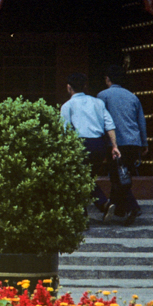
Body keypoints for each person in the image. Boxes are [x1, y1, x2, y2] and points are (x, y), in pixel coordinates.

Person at [60, 72, 121, 219]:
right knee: (86, 178)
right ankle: (101, 206)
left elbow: (65, 130)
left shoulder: (67, 106)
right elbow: (109, 124)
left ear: (69, 87)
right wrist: (115, 146)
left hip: (81, 143)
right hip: (99, 144)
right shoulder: (97, 103)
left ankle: (89, 212)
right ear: (85, 86)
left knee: (79, 179)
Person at [98, 65, 148, 225]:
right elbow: (141, 121)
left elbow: (101, 120)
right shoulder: (133, 97)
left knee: (117, 177)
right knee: (123, 176)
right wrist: (144, 143)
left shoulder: (103, 96)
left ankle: (133, 207)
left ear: (108, 79)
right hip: (133, 142)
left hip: (116, 143)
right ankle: (118, 210)